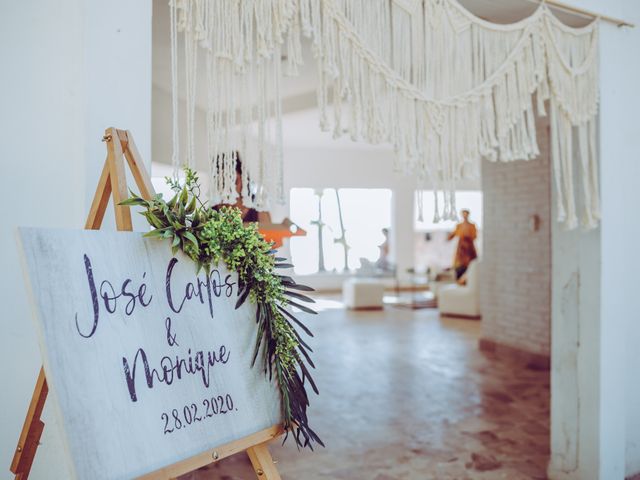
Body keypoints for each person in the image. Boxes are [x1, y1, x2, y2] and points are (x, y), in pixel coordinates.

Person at [447, 209, 477, 280]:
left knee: (470, 267)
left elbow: (474, 236)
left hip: (469, 249)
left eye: (466, 214)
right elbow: (452, 234)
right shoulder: (459, 226)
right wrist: (449, 236)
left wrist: (467, 236)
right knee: (459, 267)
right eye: (463, 214)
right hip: (461, 249)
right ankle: (459, 282)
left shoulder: (472, 225)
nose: (465, 216)